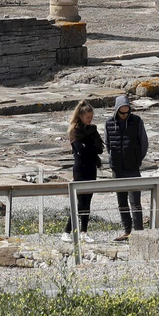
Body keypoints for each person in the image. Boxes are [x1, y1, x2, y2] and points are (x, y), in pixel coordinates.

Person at [105, 93, 149, 238]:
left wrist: (137, 159)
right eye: (122, 112)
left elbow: (144, 143)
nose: (124, 115)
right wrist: (113, 160)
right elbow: (108, 145)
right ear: (117, 110)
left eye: (127, 112)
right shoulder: (109, 123)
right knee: (122, 202)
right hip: (117, 169)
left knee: (135, 202)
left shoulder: (137, 121)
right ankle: (127, 231)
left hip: (133, 167)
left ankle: (138, 232)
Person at [61, 100, 103, 241]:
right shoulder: (75, 131)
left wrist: (88, 147)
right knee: (79, 202)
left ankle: (84, 232)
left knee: (88, 201)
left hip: (91, 168)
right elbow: (80, 150)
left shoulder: (93, 129)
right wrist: (90, 147)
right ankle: (67, 232)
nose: (90, 120)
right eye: (87, 117)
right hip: (80, 169)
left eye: (91, 117)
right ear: (81, 116)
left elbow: (100, 148)